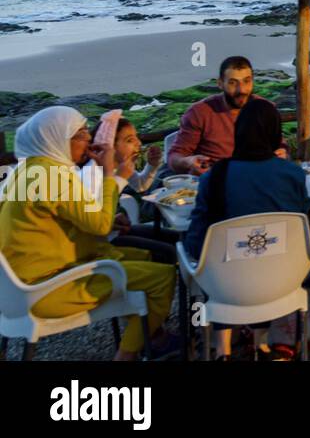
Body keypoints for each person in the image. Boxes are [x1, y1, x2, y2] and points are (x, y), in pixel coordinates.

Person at [0, 107, 177, 360]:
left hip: (16, 289)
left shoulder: (26, 171)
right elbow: (101, 226)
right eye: (81, 134)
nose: (89, 141)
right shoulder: (53, 177)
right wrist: (110, 176)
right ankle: (126, 355)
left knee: (143, 256)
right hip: (47, 288)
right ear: (58, 139)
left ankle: (149, 336)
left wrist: (105, 217)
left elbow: (59, 220)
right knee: (163, 276)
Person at [181, 98, 310, 360]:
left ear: (237, 132)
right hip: (282, 282)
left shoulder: (215, 178)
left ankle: (222, 351)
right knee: (262, 254)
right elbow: (303, 221)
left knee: (224, 256)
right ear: (275, 133)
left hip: (226, 289)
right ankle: (262, 345)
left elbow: (196, 244)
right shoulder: (293, 175)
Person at [79, 110, 179, 264]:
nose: (138, 143)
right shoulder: (91, 174)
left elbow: (140, 186)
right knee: (169, 252)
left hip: (114, 228)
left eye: (137, 138)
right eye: (130, 140)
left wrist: (151, 166)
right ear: (110, 145)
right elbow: (92, 223)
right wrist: (120, 178)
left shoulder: (119, 164)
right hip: (103, 243)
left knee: (178, 239)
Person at [169, 55, 270, 174]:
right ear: (220, 83)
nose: (241, 90)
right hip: (216, 181)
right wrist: (189, 162)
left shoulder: (265, 109)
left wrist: (281, 151)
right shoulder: (200, 112)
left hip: (258, 178)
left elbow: (281, 147)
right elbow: (174, 158)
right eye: (233, 82)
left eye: (246, 81)